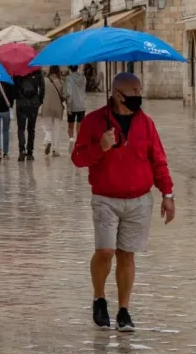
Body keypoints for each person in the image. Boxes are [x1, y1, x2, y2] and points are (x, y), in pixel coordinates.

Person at [71, 72, 175, 333]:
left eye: (140, 91)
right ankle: (99, 298)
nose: (139, 97)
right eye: (133, 92)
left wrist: (167, 194)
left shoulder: (146, 124)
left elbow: (158, 160)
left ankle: (124, 310)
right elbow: (78, 158)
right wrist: (101, 147)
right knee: (105, 250)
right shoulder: (95, 122)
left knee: (126, 254)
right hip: (105, 197)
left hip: (139, 200)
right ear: (118, 95)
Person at [14, 69, 45, 161]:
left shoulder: (18, 70)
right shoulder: (37, 71)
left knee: (21, 128)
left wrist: (17, 98)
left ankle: (22, 150)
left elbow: (14, 87)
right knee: (31, 129)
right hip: (33, 103)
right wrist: (39, 101)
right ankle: (30, 152)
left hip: (21, 103)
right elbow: (42, 87)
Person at [40, 67, 65, 156]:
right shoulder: (60, 81)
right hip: (57, 107)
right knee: (57, 129)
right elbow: (64, 95)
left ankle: (48, 140)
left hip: (46, 106)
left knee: (48, 127)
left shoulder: (44, 80)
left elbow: (41, 93)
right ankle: (56, 150)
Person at [65, 65, 87, 149]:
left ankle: (71, 140)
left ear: (69, 68)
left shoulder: (69, 78)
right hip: (82, 105)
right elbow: (84, 90)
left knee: (70, 126)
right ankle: (78, 142)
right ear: (77, 68)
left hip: (73, 105)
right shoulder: (83, 78)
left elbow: (69, 93)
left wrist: (69, 107)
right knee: (79, 125)